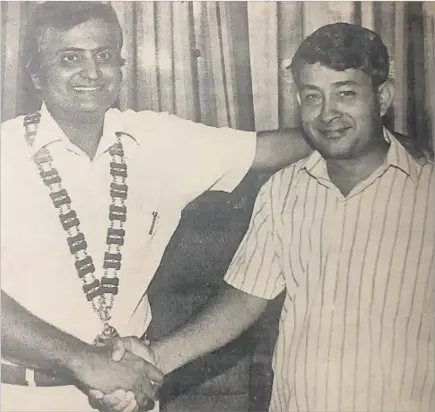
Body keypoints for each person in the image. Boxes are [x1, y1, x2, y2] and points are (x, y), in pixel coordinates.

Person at [102, 23, 434, 412]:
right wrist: (154, 359)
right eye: (313, 96)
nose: (328, 114)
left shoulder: (426, 191)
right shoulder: (283, 191)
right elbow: (243, 300)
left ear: (383, 97)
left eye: (346, 93)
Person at [0, 2, 315, 411]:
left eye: (104, 56)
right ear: (35, 75)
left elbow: (270, 149)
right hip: (22, 397)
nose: (92, 73)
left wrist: (378, 135)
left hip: (134, 396)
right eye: (69, 58)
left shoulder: (155, 140)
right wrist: (82, 360)